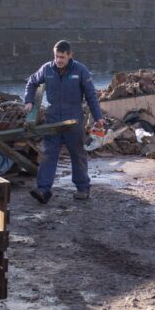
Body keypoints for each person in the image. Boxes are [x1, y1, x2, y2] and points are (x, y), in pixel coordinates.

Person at [24, 40, 105, 203]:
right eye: (56, 56)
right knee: (48, 154)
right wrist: (28, 100)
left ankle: (82, 189)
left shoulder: (81, 71)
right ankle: (43, 190)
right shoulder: (47, 69)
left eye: (62, 57)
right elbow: (31, 82)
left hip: (73, 120)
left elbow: (91, 96)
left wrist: (98, 118)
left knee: (77, 154)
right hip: (53, 119)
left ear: (70, 55)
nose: (58, 60)